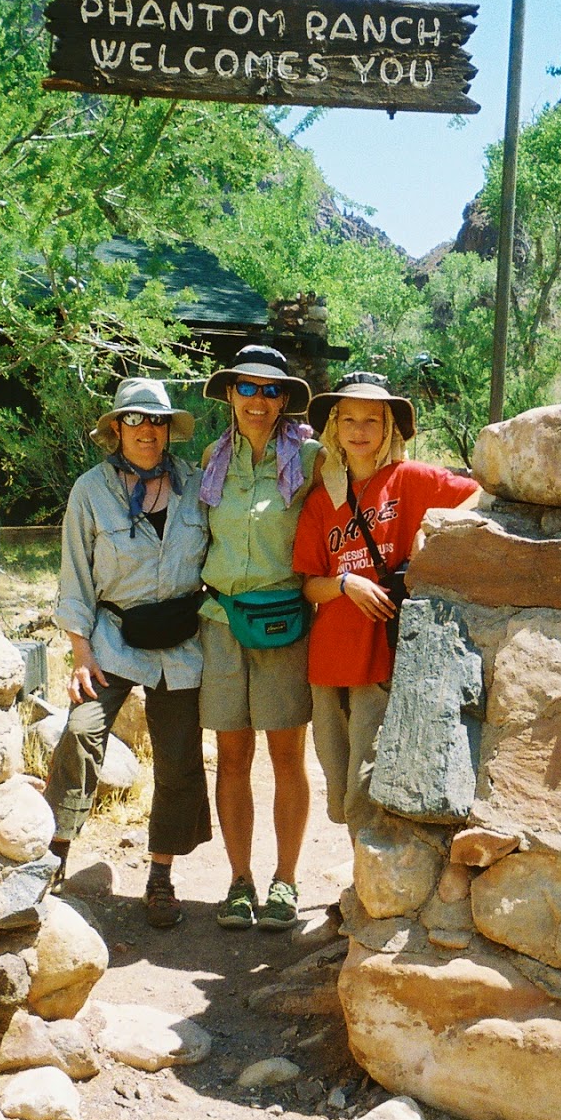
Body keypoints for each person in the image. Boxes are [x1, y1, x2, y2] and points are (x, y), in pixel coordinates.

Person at [45, 377, 211, 928]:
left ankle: (161, 876)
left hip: (183, 641)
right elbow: (75, 572)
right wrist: (79, 652)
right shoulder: (90, 490)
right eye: (135, 420)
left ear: (169, 430)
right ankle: (53, 855)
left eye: (157, 421)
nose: (147, 431)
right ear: (116, 428)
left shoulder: (195, 484)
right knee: (81, 730)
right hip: (112, 638)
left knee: (179, 757)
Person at [292, 372, 479, 841]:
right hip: (331, 656)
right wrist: (346, 583)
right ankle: (363, 874)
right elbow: (310, 585)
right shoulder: (321, 500)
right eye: (348, 419)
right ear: (334, 427)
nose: (359, 430)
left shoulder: (411, 480)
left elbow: (479, 493)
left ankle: (367, 891)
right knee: (337, 782)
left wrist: (430, 531)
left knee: (366, 778)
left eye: (371, 420)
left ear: (389, 427)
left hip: (383, 652)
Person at [198, 345, 322, 932]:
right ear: (229, 394)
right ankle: (239, 881)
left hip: (285, 623)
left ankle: (287, 881)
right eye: (246, 388)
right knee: (231, 756)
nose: (258, 399)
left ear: (284, 401)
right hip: (222, 623)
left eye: (271, 390)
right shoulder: (211, 459)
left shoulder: (313, 458)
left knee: (286, 755)